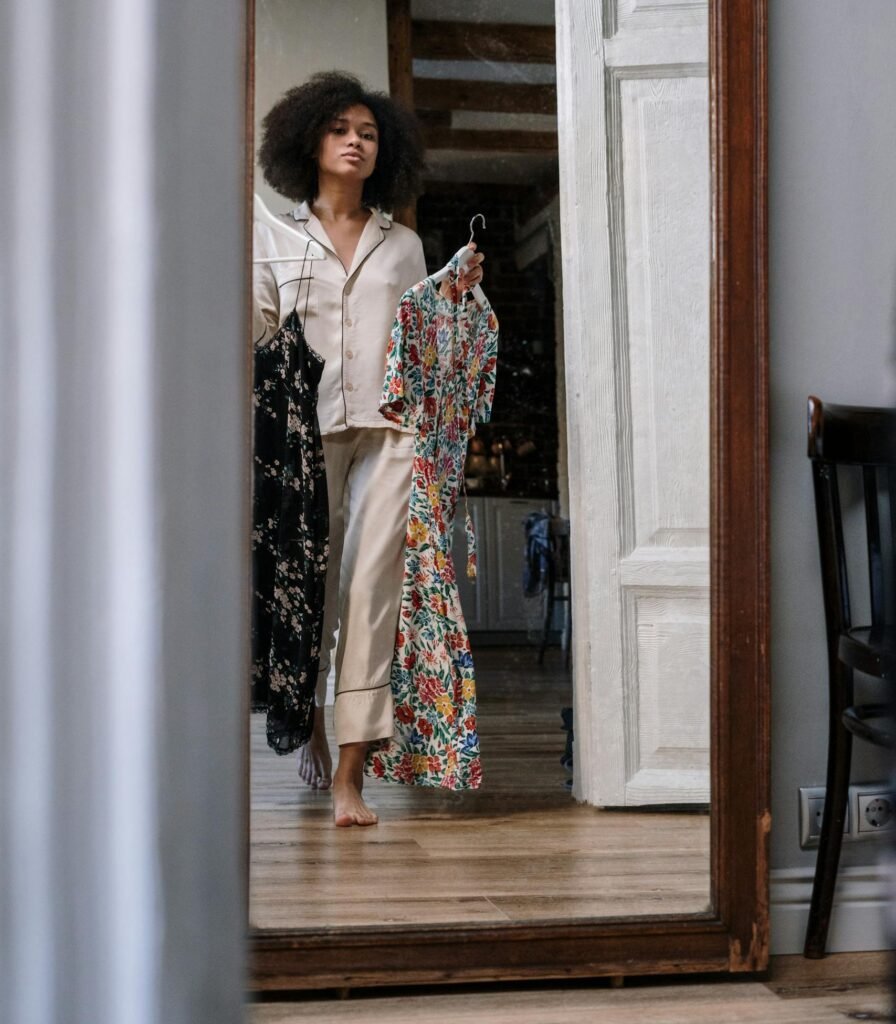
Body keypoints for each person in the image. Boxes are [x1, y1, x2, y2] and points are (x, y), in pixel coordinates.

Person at [254, 72, 485, 827]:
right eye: (340, 129)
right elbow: (256, 335)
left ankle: (353, 773)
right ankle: (314, 730)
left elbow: (424, 340)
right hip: (303, 436)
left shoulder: (404, 244)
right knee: (311, 592)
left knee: (372, 590)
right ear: (310, 142)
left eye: (369, 132)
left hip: (393, 433)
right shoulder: (274, 237)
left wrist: (454, 295)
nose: (355, 140)